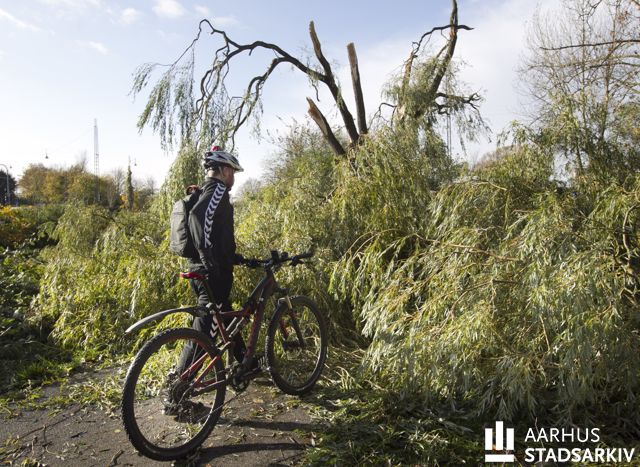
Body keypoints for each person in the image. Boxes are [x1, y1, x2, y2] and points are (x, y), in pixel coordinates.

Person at [176, 145, 254, 376]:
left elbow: (215, 230)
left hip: (206, 270)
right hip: (211, 273)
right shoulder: (217, 190)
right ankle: (180, 389)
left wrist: (232, 257)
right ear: (223, 170)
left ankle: (244, 362)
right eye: (232, 172)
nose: (233, 178)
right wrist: (208, 257)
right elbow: (199, 218)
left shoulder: (205, 191)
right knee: (204, 333)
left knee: (226, 318)